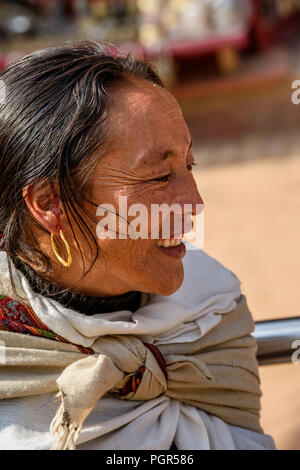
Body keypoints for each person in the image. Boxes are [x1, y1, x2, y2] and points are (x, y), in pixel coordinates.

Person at [0, 41, 276, 450]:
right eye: (160, 177)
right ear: (49, 203)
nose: (195, 204)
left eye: (189, 165)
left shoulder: (211, 311)